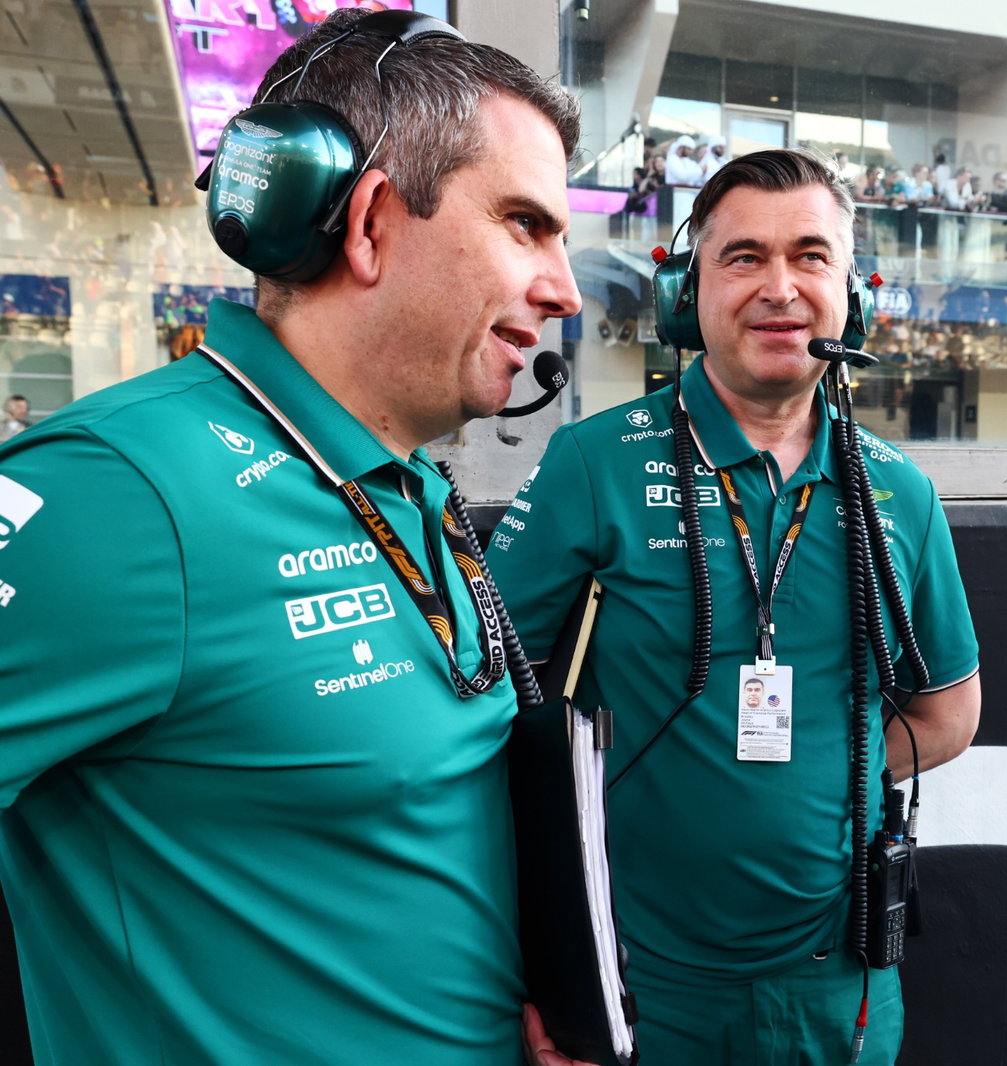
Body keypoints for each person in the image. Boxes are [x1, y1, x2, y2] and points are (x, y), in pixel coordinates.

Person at [0, 10, 591, 1065]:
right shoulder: (119, 490)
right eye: (524, 225)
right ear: (367, 222)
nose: (564, 288)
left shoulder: (405, 479)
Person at [492, 148, 982, 1065]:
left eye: (810, 256)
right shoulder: (591, 465)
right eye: (744, 257)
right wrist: (539, 965)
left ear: (851, 294)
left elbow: (949, 713)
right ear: (691, 293)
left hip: (845, 989)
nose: (780, 287)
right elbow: (485, 716)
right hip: (641, 982)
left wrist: (833, 758)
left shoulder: (901, 493)